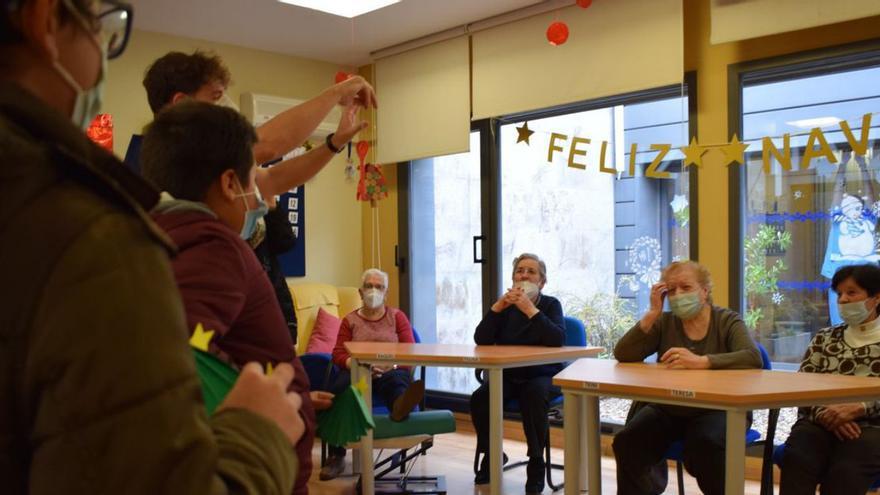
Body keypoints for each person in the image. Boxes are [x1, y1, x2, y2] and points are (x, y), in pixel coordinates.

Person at [1, 1, 306, 493]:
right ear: (44, 19)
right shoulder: (92, 238)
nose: (102, 58)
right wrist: (258, 429)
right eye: (101, 30)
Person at [140, 101, 328, 495]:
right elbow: (172, 350)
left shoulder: (155, 235)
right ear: (229, 184)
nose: (258, 196)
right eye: (252, 179)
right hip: (256, 469)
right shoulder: (214, 244)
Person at [612, 260, 762, 495]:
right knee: (626, 442)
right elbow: (623, 354)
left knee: (705, 445)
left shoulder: (727, 320)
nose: (678, 295)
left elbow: (753, 357)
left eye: (686, 288)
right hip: (671, 408)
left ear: (705, 291)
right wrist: (652, 314)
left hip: (718, 409)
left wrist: (703, 361)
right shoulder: (665, 322)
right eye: (671, 290)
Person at [779, 263, 880, 495]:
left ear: (876, 298)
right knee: (798, 456)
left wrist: (861, 408)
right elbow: (802, 387)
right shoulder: (825, 338)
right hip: (820, 421)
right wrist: (828, 413)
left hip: (873, 427)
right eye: (840, 294)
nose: (843, 300)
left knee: (844, 473)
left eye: (852, 292)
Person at [470, 253, 566, 495]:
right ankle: (492, 454)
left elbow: (557, 339)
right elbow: (481, 339)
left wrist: (530, 309)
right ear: (513, 279)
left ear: (542, 282)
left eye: (531, 271)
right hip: (508, 374)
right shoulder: (505, 307)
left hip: (542, 375)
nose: (524, 275)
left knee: (533, 396)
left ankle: (536, 462)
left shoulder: (551, 304)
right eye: (519, 271)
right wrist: (496, 308)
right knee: (481, 398)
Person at [321, 268, 426, 480]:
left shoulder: (397, 317)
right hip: (360, 374)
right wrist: (356, 365)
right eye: (369, 286)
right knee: (340, 390)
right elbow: (338, 353)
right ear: (360, 292)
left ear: (386, 293)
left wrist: (394, 366)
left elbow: (410, 350)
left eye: (379, 287)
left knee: (398, 383)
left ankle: (400, 407)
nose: (373, 291)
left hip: (391, 371)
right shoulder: (349, 320)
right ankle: (336, 456)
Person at [820, 151, 879, 324]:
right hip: (841, 270)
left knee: (870, 318)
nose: (850, 208)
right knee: (841, 320)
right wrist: (842, 165)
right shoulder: (839, 221)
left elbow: (871, 196)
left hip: (866, 274)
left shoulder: (868, 220)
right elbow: (837, 194)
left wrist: (863, 166)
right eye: (846, 206)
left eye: (855, 205)